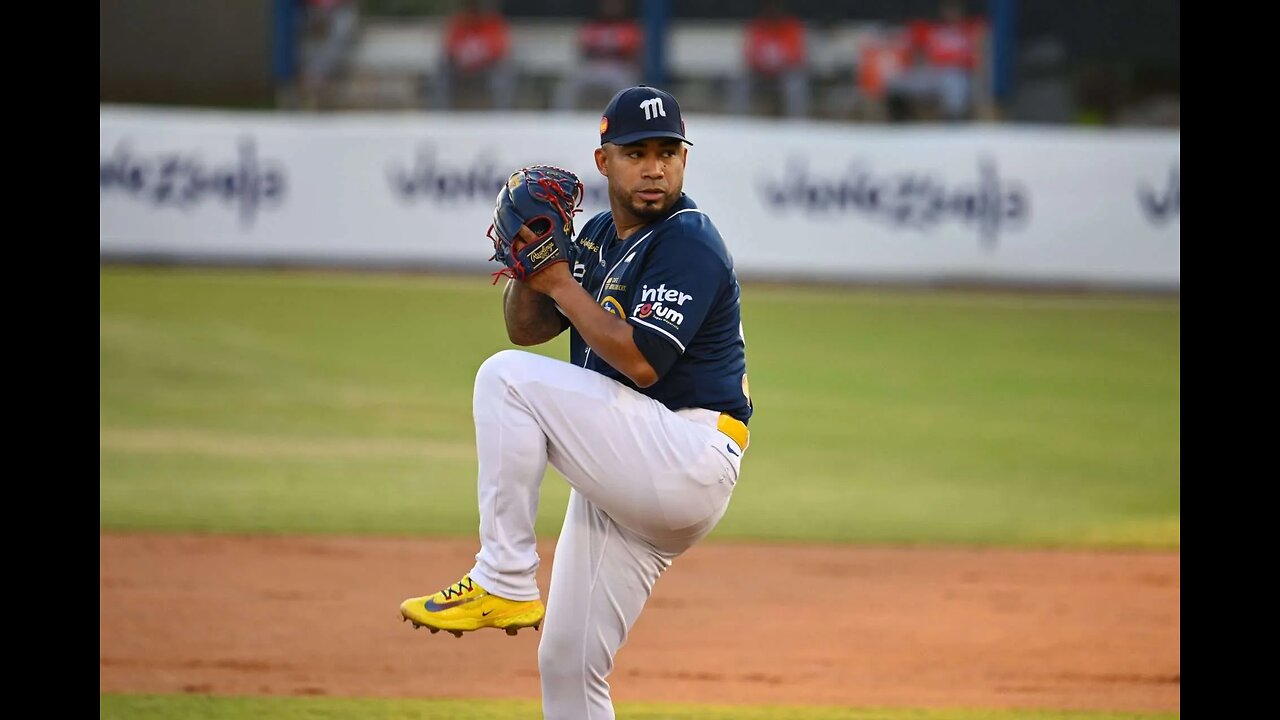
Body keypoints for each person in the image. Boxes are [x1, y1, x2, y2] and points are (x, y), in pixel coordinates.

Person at [400, 85, 752, 720]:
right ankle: (508, 586)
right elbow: (525, 329)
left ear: (684, 159)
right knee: (567, 666)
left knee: (505, 380)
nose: (654, 168)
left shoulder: (688, 240)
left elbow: (641, 360)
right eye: (636, 152)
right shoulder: (594, 237)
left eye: (668, 152)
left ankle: (504, 578)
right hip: (629, 469)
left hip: (686, 453)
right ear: (603, 162)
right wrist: (529, 265)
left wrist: (559, 277)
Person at [884, 0, 986, 121]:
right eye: (948, 9)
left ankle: (953, 120)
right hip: (933, 73)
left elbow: (980, 48)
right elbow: (913, 44)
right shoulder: (932, 29)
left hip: (957, 75)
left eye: (954, 9)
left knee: (954, 80)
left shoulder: (967, 29)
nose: (951, 13)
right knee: (894, 82)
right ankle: (900, 119)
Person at [552, 0, 644, 111]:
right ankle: (562, 120)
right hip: (594, 65)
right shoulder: (593, 26)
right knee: (570, 85)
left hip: (618, 67)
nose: (611, 8)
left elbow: (629, 51)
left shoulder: (628, 27)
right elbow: (585, 48)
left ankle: (626, 118)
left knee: (626, 86)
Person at [727, 0, 810, 118]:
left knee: (795, 82)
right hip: (760, 73)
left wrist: (778, 66)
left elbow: (796, 55)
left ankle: (797, 123)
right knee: (741, 81)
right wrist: (763, 66)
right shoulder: (758, 26)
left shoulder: (790, 27)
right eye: (770, 7)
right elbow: (750, 54)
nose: (774, 11)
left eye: (776, 7)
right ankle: (738, 122)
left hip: (784, 73)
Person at [429, 0, 516, 110]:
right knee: (443, 68)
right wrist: (463, 59)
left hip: (486, 69)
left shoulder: (492, 23)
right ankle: (440, 113)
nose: (474, 11)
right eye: (471, 7)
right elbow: (450, 49)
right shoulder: (459, 23)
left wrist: (478, 58)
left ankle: (502, 114)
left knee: (503, 70)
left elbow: (498, 50)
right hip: (460, 69)